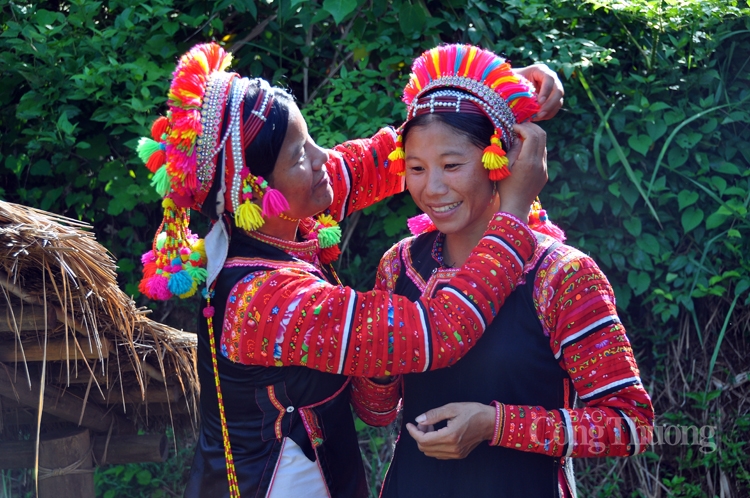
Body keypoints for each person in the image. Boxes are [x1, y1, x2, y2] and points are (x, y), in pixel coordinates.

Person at [135, 43, 562, 497]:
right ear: (254, 188)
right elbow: (438, 332)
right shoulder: (264, 299)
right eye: (300, 155)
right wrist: (512, 211)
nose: (324, 159)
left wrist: (489, 95)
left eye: (310, 139)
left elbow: (383, 160)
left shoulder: (281, 220)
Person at [353, 44, 655, 498]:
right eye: (415, 168)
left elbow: (629, 425)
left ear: (502, 160)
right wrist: (378, 357)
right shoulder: (401, 266)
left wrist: (494, 424)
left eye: (452, 165)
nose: (432, 189)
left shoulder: (560, 275)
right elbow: (374, 412)